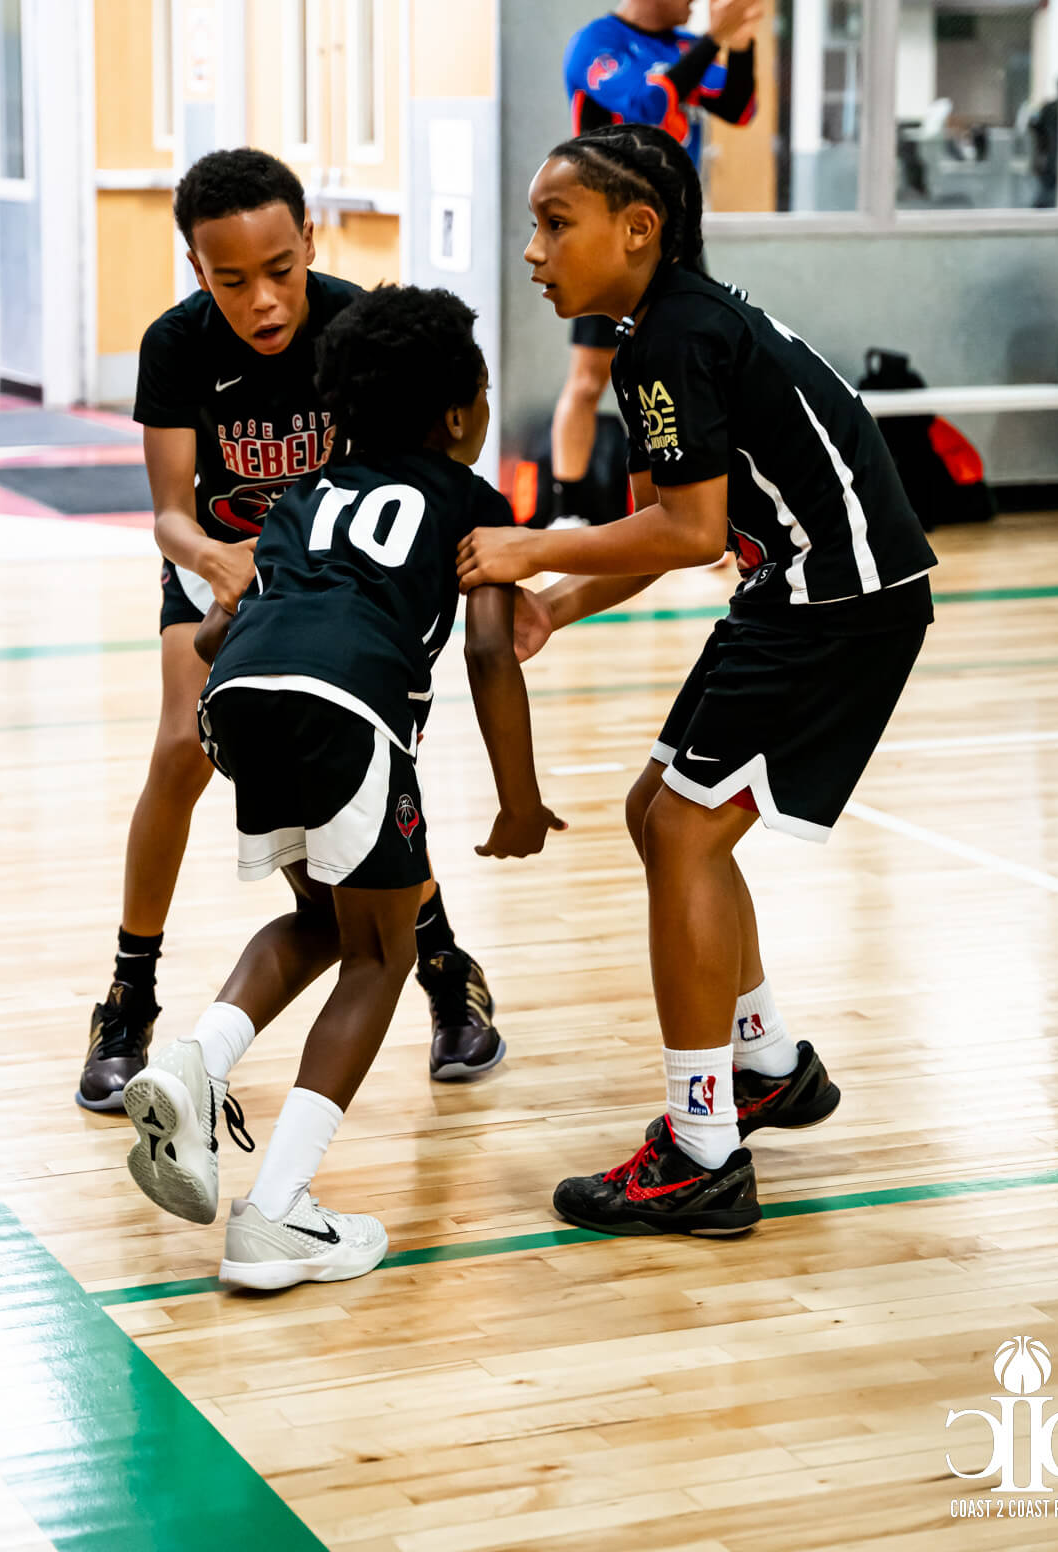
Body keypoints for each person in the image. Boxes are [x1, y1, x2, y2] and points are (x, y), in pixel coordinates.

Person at [458, 123, 936, 1241]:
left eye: (555, 223)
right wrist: (558, 603)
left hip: (838, 603)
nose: (533, 250)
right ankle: (765, 1062)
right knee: (657, 813)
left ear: (639, 229)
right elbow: (668, 525)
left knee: (684, 832)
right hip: (796, 591)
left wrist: (533, 546)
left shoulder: (671, 338)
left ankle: (701, 1151)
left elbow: (689, 530)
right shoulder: (667, 327)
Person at [120, 285, 564, 1289]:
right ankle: (277, 1211)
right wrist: (519, 797)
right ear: (460, 413)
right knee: (382, 952)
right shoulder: (471, 505)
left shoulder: (303, 496)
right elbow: (488, 653)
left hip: (239, 700)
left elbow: (214, 629)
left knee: (325, 920)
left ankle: (195, 1061)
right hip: (345, 705)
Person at [78, 150, 504, 1111]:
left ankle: (446, 972)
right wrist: (216, 560)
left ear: (310, 241)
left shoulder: (354, 325)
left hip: (330, 572)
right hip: (221, 564)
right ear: (197, 268)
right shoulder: (175, 345)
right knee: (180, 748)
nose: (262, 299)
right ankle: (127, 997)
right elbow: (168, 515)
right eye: (231, 281)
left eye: (279, 270)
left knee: (371, 769)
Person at [550, 0, 762, 527]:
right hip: (606, 238)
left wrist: (740, 43)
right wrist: (714, 38)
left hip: (674, 235)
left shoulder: (685, 46)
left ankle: (700, 516)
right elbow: (646, 106)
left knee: (691, 372)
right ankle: (567, 513)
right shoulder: (597, 44)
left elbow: (739, 106)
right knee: (591, 377)